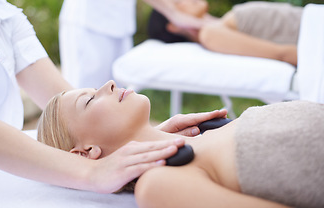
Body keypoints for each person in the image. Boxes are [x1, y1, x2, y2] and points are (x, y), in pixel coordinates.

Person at [0, 0, 223, 193]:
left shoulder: (2, 15)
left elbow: (65, 109)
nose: (109, 84)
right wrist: (91, 172)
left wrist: (137, 136)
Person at [37, 80, 324, 207]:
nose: (109, 84)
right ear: (86, 153)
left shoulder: (203, 135)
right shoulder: (159, 184)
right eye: (89, 100)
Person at [59, 0, 207, 89]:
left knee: (116, 100)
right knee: (85, 97)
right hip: (90, 19)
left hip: (120, 22)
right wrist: (171, 12)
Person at [148, 0, 302, 66]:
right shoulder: (210, 34)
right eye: (177, 2)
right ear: (173, 26)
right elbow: (281, 54)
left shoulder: (220, 26)